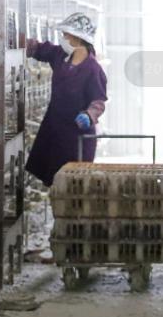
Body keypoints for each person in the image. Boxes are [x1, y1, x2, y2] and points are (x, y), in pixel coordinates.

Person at [24, 12, 108, 187]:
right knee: (56, 181)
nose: (63, 38)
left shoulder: (93, 69)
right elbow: (40, 49)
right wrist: (17, 40)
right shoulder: (61, 56)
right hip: (56, 128)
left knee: (74, 182)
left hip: (77, 135)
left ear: (77, 38)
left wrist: (89, 115)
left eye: (66, 35)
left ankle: (74, 214)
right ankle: (60, 213)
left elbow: (98, 101)